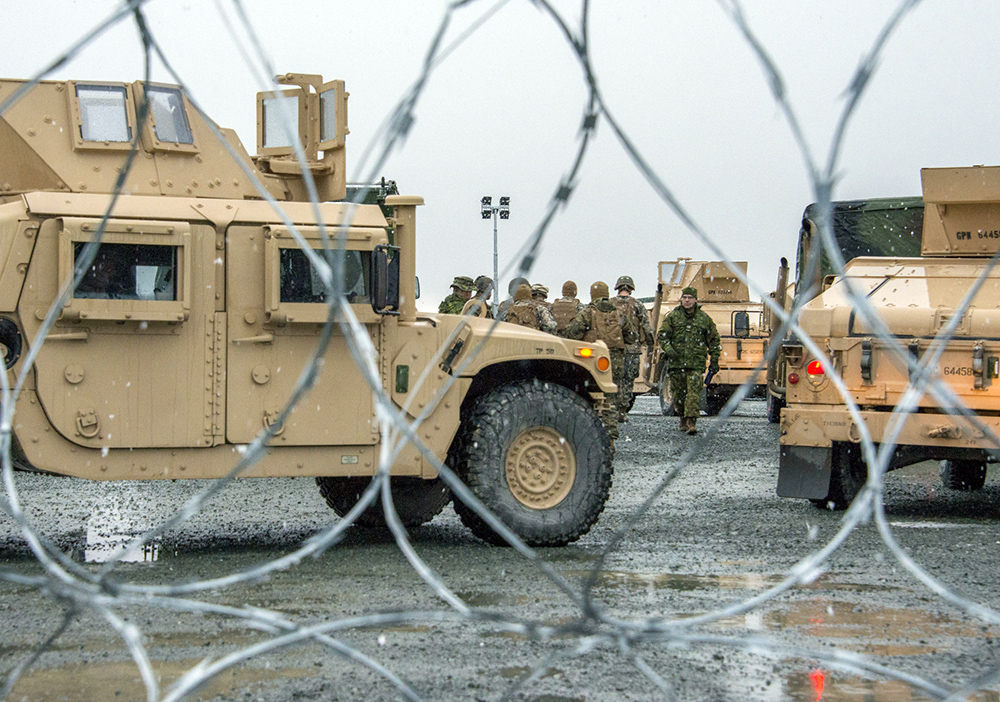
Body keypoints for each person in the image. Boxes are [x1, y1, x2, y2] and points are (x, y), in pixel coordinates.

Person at [561, 281, 630, 439]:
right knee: (611, 397)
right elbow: (631, 336)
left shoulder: (587, 312)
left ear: (592, 294)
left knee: (590, 394)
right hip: (616, 360)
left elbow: (572, 333)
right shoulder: (619, 314)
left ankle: (590, 433)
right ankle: (610, 432)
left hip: (594, 361)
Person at [657, 285, 721, 435]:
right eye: (684, 298)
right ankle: (682, 418)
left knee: (693, 394)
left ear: (695, 300)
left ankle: (692, 421)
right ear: (681, 299)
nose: (687, 301)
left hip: (696, 363)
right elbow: (662, 335)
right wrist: (668, 349)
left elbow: (714, 340)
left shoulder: (704, 319)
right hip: (676, 363)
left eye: (690, 298)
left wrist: (715, 360)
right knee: (678, 395)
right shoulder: (673, 317)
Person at [611, 275, 654, 422]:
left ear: (618, 288)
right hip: (631, 348)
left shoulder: (610, 304)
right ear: (631, 289)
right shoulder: (638, 305)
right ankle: (622, 411)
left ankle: (612, 409)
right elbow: (647, 327)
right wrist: (651, 344)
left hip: (613, 348)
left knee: (613, 379)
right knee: (628, 380)